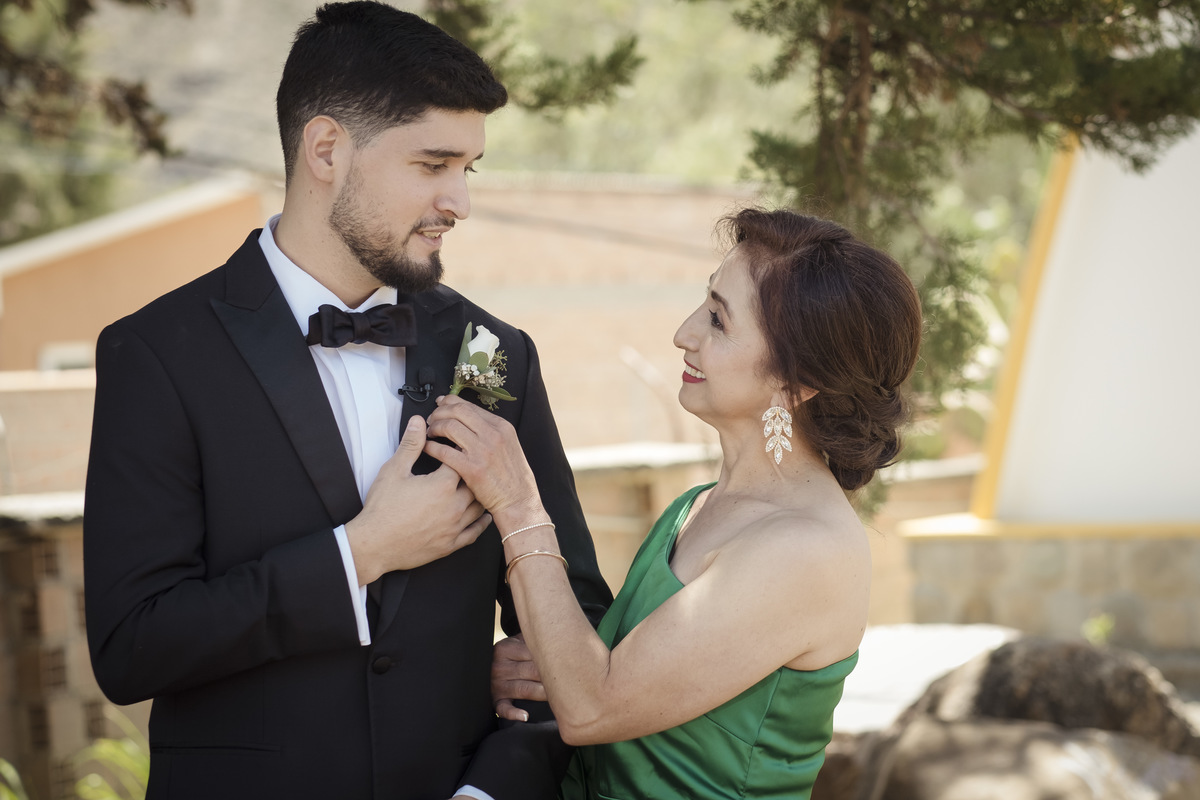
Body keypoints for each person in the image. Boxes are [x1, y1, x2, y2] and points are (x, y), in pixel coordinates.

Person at [83, 3, 611, 799]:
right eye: (433, 165)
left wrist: (494, 784)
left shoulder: (491, 354)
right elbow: (133, 648)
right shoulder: (155, 355)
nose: (459, 202)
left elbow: (572, 629)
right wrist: (359, 553)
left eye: (470, 169)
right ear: (327, 148)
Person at [424, 208, 923, 799]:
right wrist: (544, 665)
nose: (685, 332)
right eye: (704, 303)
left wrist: (518, 504)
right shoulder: (699, 504)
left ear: (798, 381)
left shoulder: (805, 549)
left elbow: (592, 708)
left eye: (718, 320)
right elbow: (621, 679)